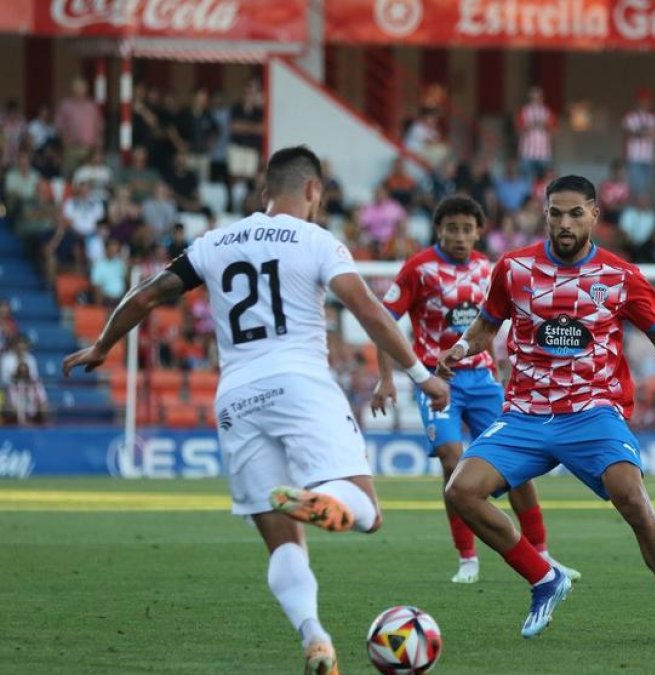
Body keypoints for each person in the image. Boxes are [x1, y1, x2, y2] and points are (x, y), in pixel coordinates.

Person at [62, 145, 450, 675]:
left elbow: (147, 294)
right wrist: (422, 376)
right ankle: (325, 500)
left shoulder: (214, 242)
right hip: (299, 382)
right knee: (367, 510)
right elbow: (368, 311)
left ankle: (315, 638)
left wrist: (105, 345)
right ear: (313, 190)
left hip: (236, 397)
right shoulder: (317, 241)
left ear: (266, 191)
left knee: (281, 541)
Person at [437, 175, 655, 644]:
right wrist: (459, 349)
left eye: (576, 213)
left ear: (595, 214)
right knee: (460, 492)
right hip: (525, 414)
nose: (565, 222)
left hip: (592, 412)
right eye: (556, 212)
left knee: (634, 500)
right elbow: (484, 326)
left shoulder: (620, 276)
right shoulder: (513, 268)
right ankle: (544, 578)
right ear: (545, 214)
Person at [370, 195, 579, 585]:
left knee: (518, 466)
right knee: (453, 460)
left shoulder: (489, 268)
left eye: (467, 229)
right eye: (452, 229)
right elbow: (383, 321)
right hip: (438, 381)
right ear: (439, 231)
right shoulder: (419, 269)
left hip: (483, 381)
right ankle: (467, 558)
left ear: (479, 232)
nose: (460, 236)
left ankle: (544, 555)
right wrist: (386, 378)